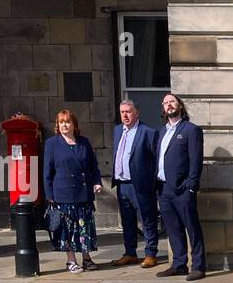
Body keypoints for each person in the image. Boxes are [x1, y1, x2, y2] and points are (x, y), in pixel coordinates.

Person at [43, 109, 103, 273]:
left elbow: (93, 166)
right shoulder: (52, 144)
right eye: (61, 122)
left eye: (67, 122)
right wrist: (49, 195)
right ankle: (71, 261)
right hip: (63, 194)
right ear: (57, 125)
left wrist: (97, 182)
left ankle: (87, 258)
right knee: (68, 230)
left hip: (83, 193)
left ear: (74, 124)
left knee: (84, 228)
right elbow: (47, 172)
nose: (64, 125)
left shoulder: (84, 142)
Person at [156, 92, 206, 281]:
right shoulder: (162, 131)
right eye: (165, 102)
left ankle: (199, 266)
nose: (168, 105)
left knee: (192, 228)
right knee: (173, 229)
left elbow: (196, 160)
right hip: (164, 188)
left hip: (183, 189)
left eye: (172, 102)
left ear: (180, 106)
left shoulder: (191, 130)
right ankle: (179, 264)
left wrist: (191, 186)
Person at [111, 99, 160, 269]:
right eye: (122, 112)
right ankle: (130, 253)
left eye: (128, 111)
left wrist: (153, 184)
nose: (125, 115)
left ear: (136, 113)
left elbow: (155, 161)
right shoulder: (117, 131)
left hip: (140, 185)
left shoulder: (148, 132)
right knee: (127, 221)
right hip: (122, 184)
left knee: (147, 219)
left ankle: (151, 253)